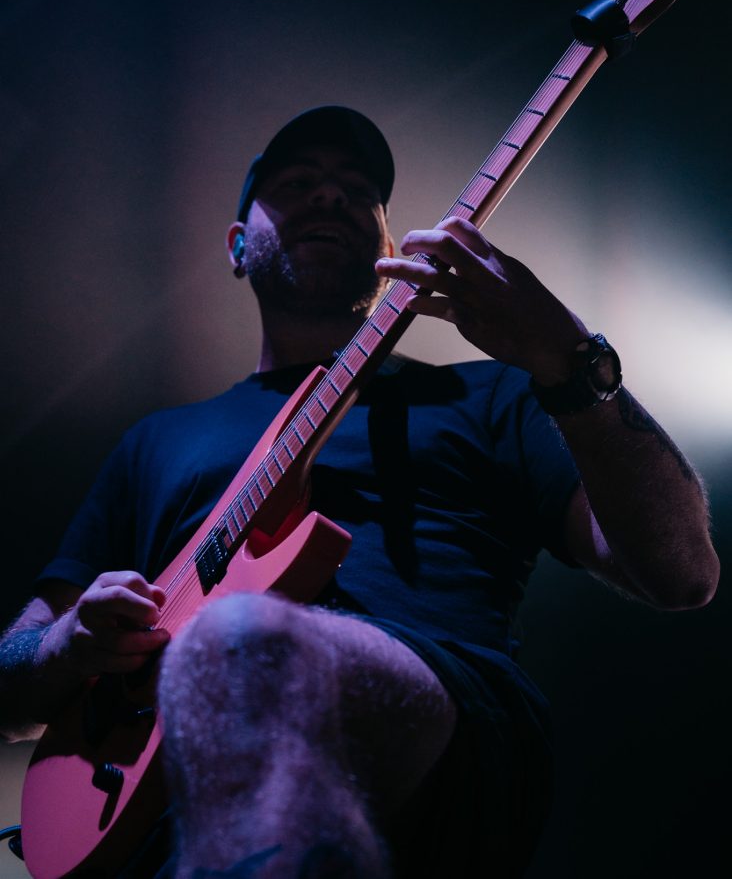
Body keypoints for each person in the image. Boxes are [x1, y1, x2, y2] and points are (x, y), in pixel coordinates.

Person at [0, 105, 719, 879]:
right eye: (296, 184)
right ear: (237, 245)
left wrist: (568, 358)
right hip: (158, 778)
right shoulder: (155, 443)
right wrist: (65, 646)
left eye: (358, 192)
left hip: (443, 735)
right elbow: (8, 689)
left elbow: (681, 569)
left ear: (389, 253)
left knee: (241, 640)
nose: (329, 195)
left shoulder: (493, 396)